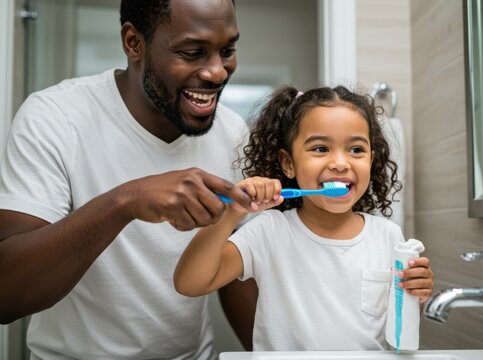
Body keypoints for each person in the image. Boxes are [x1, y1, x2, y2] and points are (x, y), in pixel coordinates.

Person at [0, 0, 256, 358]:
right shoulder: (55, 118)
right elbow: (6, 293)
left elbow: (234, 269)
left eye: (227, 50)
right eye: (193, 52)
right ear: (134, 43)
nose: (217, 72)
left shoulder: (232, 133)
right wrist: (125, 201)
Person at [174, 85, 434, 351]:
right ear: (288, 163)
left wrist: (416, 293)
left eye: (356, 150)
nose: (341, 163)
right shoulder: (269, 231)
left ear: (371, 159)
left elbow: (399, 323)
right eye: (321, 149)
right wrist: (233, 212)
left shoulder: (388, 236)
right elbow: (190, 282)